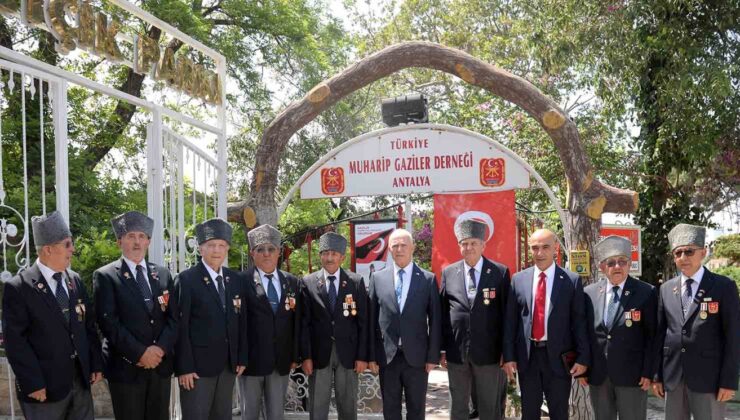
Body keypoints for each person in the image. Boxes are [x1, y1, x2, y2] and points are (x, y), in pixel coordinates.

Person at [2, 210, 103, 420]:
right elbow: (15, 342)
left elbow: (88, 326)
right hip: (44, 389)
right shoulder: (19, 287)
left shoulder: (74, 280)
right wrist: (33, 382)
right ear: (48, 249)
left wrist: (95, 364)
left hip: (80, 384)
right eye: (67, 244)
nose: (72, 249)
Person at [94, 211, 178, 420]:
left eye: (142, 237)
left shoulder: (163, 274)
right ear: (119, 241)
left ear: (148, 241)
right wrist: (141, 353)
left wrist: (159, 350)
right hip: (126, 369)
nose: (137, 242)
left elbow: (175, 318)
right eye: (131, 236)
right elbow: (109, 323)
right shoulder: (106, 276)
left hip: (160, 367)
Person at [652, 224, 740, 420]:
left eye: (689, 251)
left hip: (709, 378)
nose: (683, 257)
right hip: (673, 376)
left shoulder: (723, 286)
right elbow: (660, 335)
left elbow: (733, 337)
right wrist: (657, 375)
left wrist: (729, 381)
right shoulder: (666, 289)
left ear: (703, 252)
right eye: (678, 253)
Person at [503, 228, 589, 420]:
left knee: (559, 413)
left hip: (559, 359)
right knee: (529, 413)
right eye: (535, 248)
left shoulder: (571, 281)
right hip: (528, 358)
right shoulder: (518, 280)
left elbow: (579, 321)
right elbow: (511, 322)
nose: (539, 253)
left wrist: (583, 358)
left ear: (555, 249)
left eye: (545, 247)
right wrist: (509, 356)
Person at [174, 218, 247, 420]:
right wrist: (184, 367)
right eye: (211, 245)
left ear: (227, 249)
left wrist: (240, 356)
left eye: (221, 245)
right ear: (200, 248)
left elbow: (241, 322)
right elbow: (180, 326)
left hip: (227, 366)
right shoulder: (187, 280)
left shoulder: (235, 280)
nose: (217, 250)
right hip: (197, 369)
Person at [440, 219, 511, 420]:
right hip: (457, 352)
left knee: (490, 407)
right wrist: (442, 349)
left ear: (483, 245)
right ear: (459, 246)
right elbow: (443, 314)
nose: (468, 247)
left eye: (473, 243)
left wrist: (506, 351)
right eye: (464, 243)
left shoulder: (499, 272)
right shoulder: (449, 272)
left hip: (489, 353)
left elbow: (507, 316)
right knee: (459, 407)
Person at [368, 228, 441, 420]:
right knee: (390, 411)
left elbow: (435, 321)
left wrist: (433, 356)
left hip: (417, 359)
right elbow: (371, 320)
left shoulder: (428, 279)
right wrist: (371, 355)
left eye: (403, 245)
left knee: (416, 410)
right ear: (389, 249)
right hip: (387, 357)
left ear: (413, 248)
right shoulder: (377, 278)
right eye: (395, 245)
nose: (399, 249)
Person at [581, 235, 657, 420]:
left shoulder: (646, 292)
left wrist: (649, 372)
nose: (617, 267)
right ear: (602, 267)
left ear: (629, 264)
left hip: (633, 377)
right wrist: (583, 367)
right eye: (611, 262)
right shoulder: (589, 293)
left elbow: (652, 337)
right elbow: (584, 334)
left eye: (622, 262)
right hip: (599, 376)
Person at [300, 231, 369, 420]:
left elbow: (363, 323)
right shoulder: (308, 282)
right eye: (325, 253)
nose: (329, 258)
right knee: (317, 405)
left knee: (348, 405)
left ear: (342, 257)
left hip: (348, 353)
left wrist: (362, 356)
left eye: (334, 254)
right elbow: (304, 323)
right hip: (318, 354)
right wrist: (305, 356)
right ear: (320, 255)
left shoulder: (355, 282)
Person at [238, 224, 301, 420]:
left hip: (280, 362)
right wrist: (239, 357)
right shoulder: (240, 281)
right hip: (250, 364)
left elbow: (297, 323)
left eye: (271, 249)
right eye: (260, 249)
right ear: (252, 253)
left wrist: (295, 355)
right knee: (250, 415)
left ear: (279, 252)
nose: (266, 254)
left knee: (276, 415)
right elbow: (237, 324)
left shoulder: (291, 282)